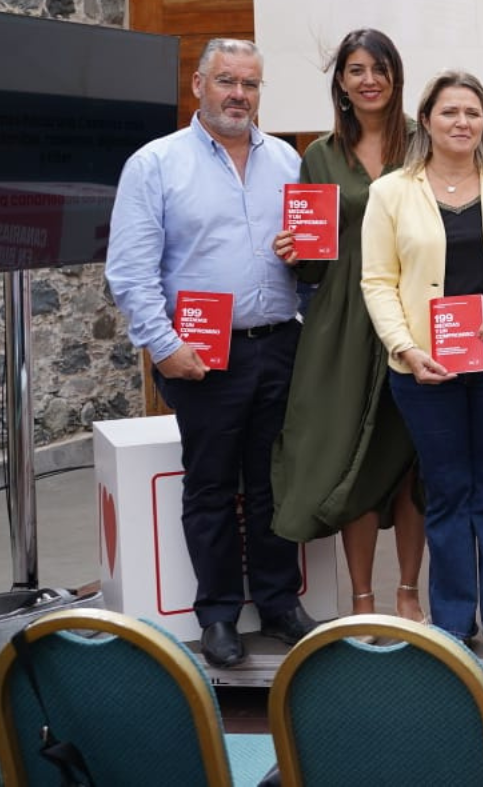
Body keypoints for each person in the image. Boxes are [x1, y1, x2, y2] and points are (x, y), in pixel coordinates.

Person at [106, 38, 321, 669]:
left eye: (250, 85)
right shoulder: (156, 164)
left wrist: (302, 262)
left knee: (273, 486)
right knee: (210, 486)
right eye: (226, 81)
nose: (238, 95)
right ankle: (219, 614)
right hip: (201, 355)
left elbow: (309, 259)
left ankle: (280, 604)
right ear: (198, 84)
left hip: (280, 344)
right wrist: (163, 344)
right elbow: (131, 269)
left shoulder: (287, 159)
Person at [360, 71, 483, 660]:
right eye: (450, 112)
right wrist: (405, 348)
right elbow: (378, 280)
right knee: (444, 491)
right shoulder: (391, 192)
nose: (462, 123)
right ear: (427, 119)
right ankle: (449, 623)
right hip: (427, 368)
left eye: (473, 112)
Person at [270, 28, 425, 624]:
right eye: (356, 69)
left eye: (379, 68)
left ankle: (408, 593)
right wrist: (293, 248)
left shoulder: (421, 142)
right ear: (340, 81)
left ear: (395, 75)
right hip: (340, 321)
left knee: (409, 459)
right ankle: (363, 598)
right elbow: (316, 259)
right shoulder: (319, 155)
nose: (368, 80)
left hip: (412, 313)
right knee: (350, 458)